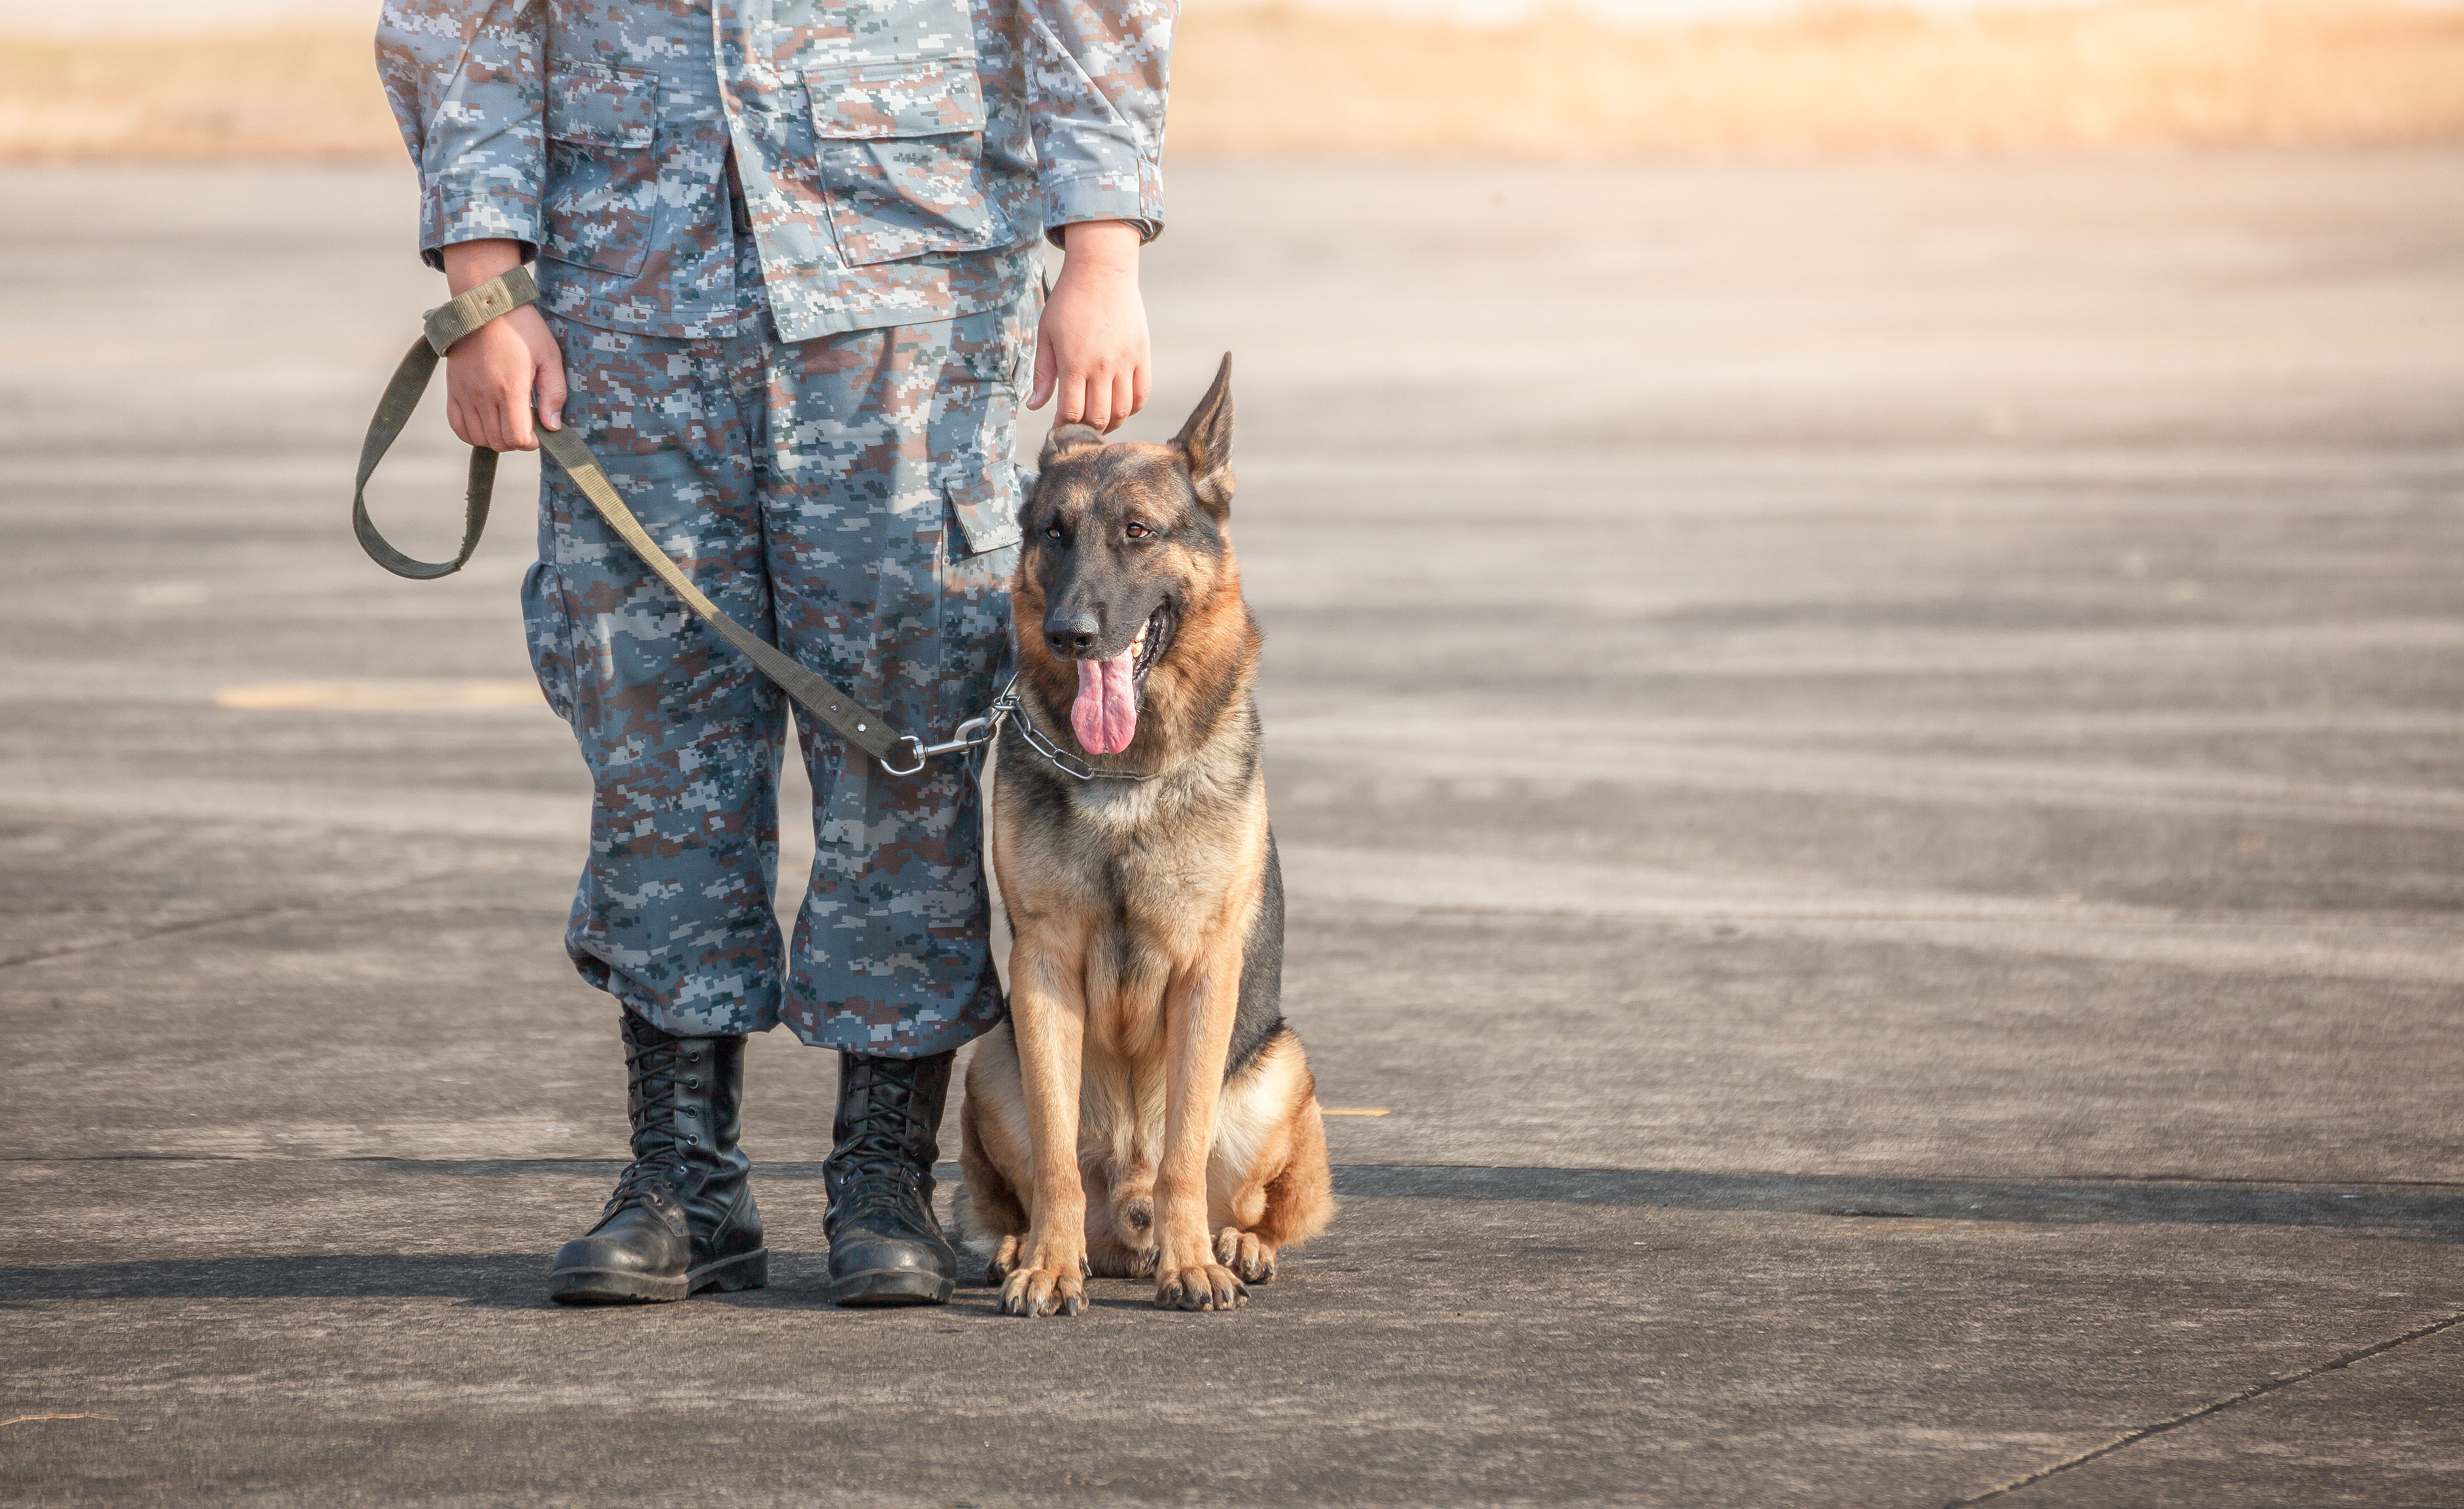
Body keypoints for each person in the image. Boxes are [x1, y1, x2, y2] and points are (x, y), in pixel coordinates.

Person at [374, 0, 1167, 1308]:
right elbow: (462, 20)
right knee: (655, 753)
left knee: (902, 752)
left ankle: (879, 1179)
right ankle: (684, 1184)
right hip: (627, 318)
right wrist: (481, 288)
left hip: (910, 305)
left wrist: (1103, 253)